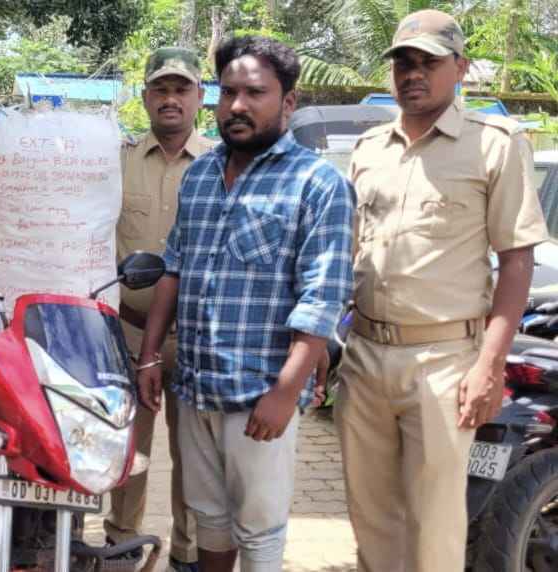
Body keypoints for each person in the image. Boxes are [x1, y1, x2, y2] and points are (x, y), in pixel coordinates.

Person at [335, 9, 549, 572]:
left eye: (428, 62)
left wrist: (490, 366)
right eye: (403, 63)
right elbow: (350, 254)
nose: (413, 74)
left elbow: (517, 261)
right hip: (364, 356)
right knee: (371, 521)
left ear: (461, 68)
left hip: (444, 361)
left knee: (434, 528)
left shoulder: (493, 145)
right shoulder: (370, 149)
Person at [136, 36, 355, 572]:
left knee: (259, 528)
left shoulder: (317, 183)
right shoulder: (200, 176)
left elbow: (323, 295)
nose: (237, 105)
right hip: (196, 386)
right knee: (208, 518)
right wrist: (149, 354)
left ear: (288, 101)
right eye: (229, 91)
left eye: (255, 93)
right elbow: (173, 267)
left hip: (260, 394)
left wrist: (286, 391)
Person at [108, 46, 214, 572]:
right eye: (161, 89)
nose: (171, 99)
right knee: (127, 448)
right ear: (146, 96)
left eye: (181, 89)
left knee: (195, 455)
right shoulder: (117, 160)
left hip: (196, 336)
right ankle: (122, 544)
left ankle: (187, 554)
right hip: (129, 332)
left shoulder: (221, 163)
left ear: (200, 96)